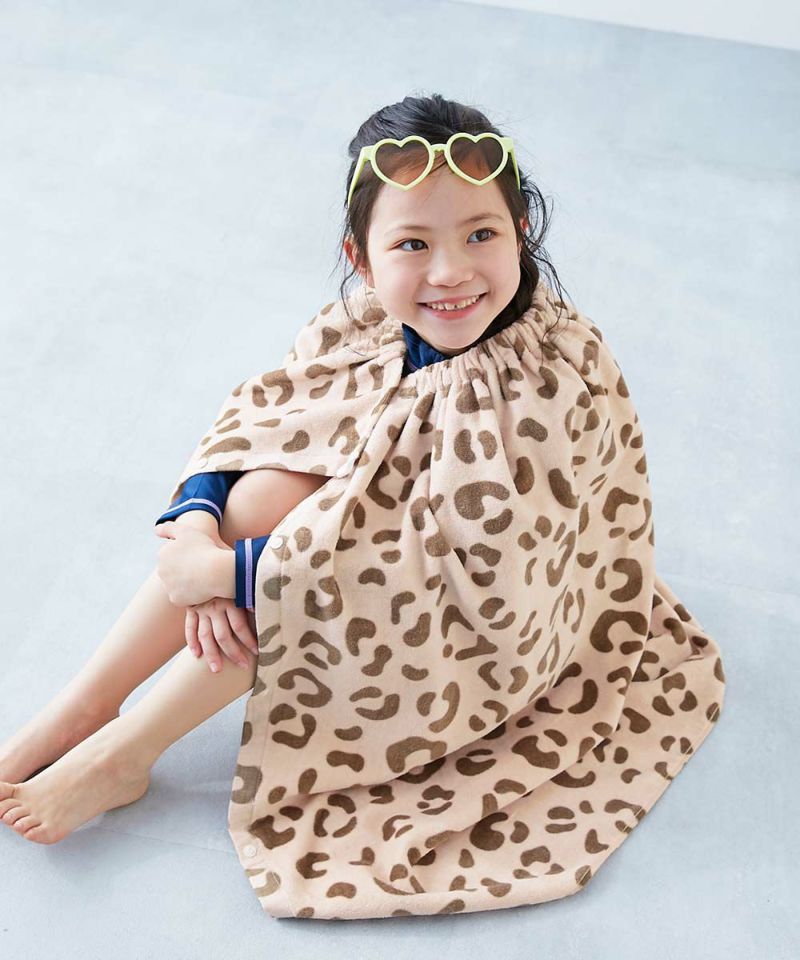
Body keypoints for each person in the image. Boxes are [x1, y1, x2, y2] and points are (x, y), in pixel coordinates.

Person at [0, 93, 725, 922]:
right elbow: (267, 418)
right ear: (363, 257)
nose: (450, 272)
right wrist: (198, 526)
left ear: (521, 231)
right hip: (372, 534)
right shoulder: (366, 321)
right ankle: (88, 705)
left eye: (481, 235)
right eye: (413, 244)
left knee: (289, 576)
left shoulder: (547, 378)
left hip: (486, 622)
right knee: (260, 497)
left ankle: (126, 753)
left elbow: (454, 573)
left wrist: (229, 577)